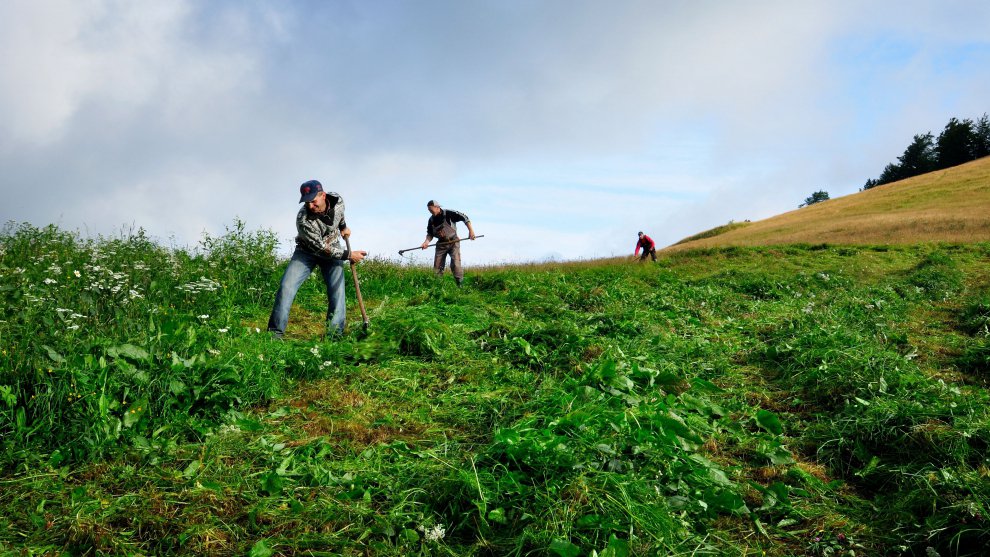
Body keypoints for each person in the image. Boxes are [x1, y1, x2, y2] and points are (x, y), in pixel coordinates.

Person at [267, 180, 367, 338]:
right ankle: (274, 335)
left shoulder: (337, 200)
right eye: (307, 202)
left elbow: (339, 215)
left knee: (337, 291)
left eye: (313, 201)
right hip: (306, 252)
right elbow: (322, 249)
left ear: (323, 196)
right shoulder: (303, 220)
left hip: (333, 247)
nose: (310, 206)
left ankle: (334, 336)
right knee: (286, 287)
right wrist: (349, 255)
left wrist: (343, 227)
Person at [420, 200, 476, 286]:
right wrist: (426, 242)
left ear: (437, 207)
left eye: (431, 210)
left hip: (453, 242)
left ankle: (460, 285)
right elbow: (430, 234)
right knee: (437, 268)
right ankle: (438, 286)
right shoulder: (431, 220)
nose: (430, 212)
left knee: (455, 264)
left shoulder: (449, 213)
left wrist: (471, 231)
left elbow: (465, 217)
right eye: (429, 211)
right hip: (441, 245)